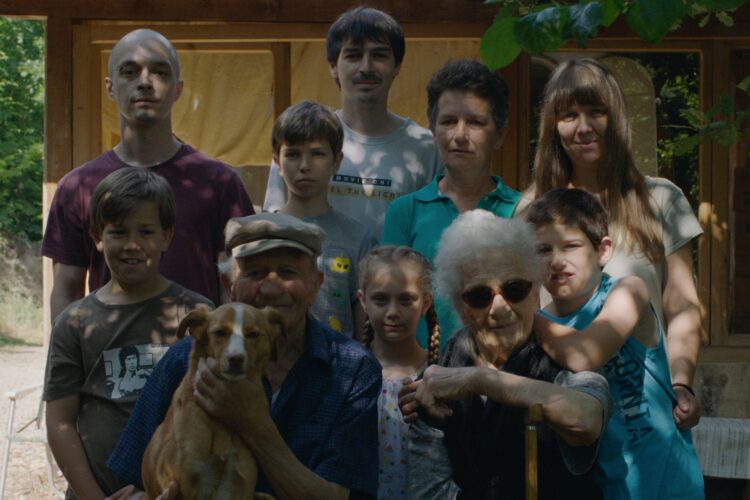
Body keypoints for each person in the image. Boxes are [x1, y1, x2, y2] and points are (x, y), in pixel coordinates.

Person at [108, 212, 381, 499]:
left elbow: (338, 496)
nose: (272, 288)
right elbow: (134, 481)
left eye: (288, 272)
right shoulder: (186, 359)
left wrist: (253, 423)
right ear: (229, 286)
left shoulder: (353, 370)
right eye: (255, 273)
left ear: (316, 284)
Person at [521, 58, 704, 429]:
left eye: (596, 112)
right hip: (561, 410)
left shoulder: (660, 199)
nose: (583, 127)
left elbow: (682, 305)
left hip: (645, 413)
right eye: (569, 115)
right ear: (553, 126)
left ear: (616, 118)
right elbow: (523, 307)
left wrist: (681, 383)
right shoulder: (530, 209)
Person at [399, 210, 611, 499]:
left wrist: (479, 380)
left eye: (515, 289)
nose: (499, 308)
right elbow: (428, 491)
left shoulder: (567, 354)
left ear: (535, 291)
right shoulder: (440, 374)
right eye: (480, 296)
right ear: (461, 307)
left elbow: (587, 419)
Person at [42, 28, 253, 318]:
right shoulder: (78, 187)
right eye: (129, 72)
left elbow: (236, 288)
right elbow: (67, 292)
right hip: (109, 346)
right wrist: (65, 348)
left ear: (178, 89)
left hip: (195, 346)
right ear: (110, 87)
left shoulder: (219, 184)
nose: (144, 82)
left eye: (160, 72)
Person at [44, 168, 213, 498]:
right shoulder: (75, 323)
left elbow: (211, 415)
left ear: (166, 236)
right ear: (97, 237)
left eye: (146, 231)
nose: (132, 245)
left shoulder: (196, 316)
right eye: (118, 232)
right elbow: (60, 422)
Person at [528, 188, 704, 498]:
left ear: (603, 250)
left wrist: (525, 318)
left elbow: (585, 355)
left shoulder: (627, 292)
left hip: (666, 483)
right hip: (603, 486)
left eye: (571, 246)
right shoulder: (545, 321)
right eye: (543, 250)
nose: (556, 261)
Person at [263, 7, 441, 236]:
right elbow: (275, 226)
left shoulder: (425, 147)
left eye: (379, 55)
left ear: (397, 65)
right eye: (353, 56)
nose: (366, 67)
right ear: (333, 67)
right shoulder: (302, 137)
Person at [381, 59, 521, 347]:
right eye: (448, 122)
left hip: (503, 369)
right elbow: (384, 303)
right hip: (421, 371)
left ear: (500, 134)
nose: (459, 135)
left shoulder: (522, 211)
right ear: (433, 131)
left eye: (475, 122)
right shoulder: (405, 212)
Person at [273, 100, 377, 337]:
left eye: (317, 154)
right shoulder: (260, 232)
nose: (304, 166)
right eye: (293, 154)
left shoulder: (360, 240)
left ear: (336, 161)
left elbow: (364, 332)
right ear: (278, 162)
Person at [356, 246, 441, 499]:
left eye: (406, 300)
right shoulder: (349, 375)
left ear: (425, 302)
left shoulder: (440, 375)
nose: (393, 312)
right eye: (381, 300)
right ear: (363, 301)